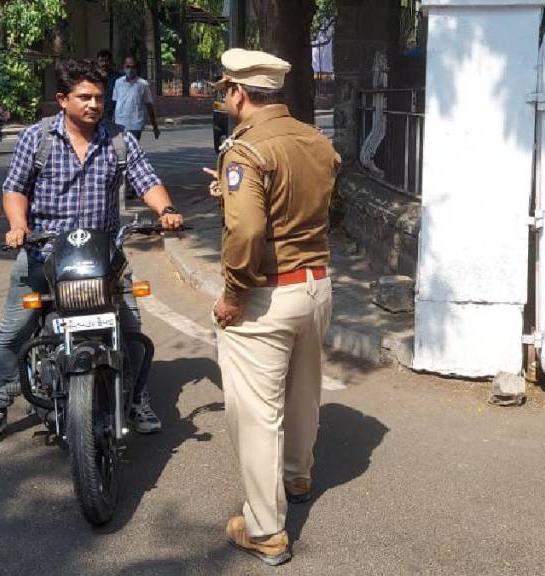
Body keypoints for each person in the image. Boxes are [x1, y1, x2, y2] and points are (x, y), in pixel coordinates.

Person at [0, 58, 184, 452]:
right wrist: (18, 227)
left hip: (103, 255)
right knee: (13, 331)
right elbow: (14, 188)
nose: (94, 105)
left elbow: (147, 180)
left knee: (131, 328)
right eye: (85, 97)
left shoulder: (119, 140)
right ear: (62, 99)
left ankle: (134, 398)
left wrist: (166, 211)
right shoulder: (38, 138)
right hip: (45, 252)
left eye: (100, 98)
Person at [206, 48, 339, 566]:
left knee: (256, 413)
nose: (226, 98)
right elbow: (305, 205)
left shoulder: (246, 149)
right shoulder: (315, 139)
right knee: (304, 389)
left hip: (266, 292)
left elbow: (249, 229)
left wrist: (234, 294)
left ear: (239, 92)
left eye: (226, 90)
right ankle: (297, 475)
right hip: (316, 284)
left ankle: (264, 529)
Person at [113, 55, 160, 141]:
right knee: (120, 152)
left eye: (133, 67)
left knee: (131, 151)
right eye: (128, 66)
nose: (130, 70)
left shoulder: (143, 84)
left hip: (135, 125)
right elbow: (115, 103)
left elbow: (149, 105)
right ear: (123, 67)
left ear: (137, 68)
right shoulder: (118, 82)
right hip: (119, 124)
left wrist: (155, 126)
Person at [96, 49, 123, 123]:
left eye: (106, 60)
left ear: (111, 62)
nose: (104, 63)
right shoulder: (94, 77)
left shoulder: (119, 78)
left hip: (114, 113)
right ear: (97, 62)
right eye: (101, 61)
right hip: (97, 111)